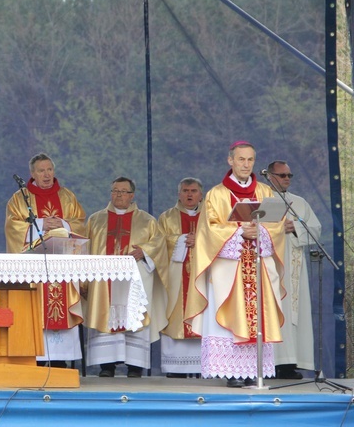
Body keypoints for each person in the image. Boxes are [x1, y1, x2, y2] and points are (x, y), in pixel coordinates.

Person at [185, 141, 285, 388]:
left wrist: (260, 233)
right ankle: (231, 372)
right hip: (228, 269)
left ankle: (252, 370)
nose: (246, 164)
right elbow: (209, 229)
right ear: (230, 161)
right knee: (231, 312)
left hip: (257, 265)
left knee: (257, 314)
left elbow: (278, 225)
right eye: (241, 159)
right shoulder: (216, 194)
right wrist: (241, 232)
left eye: (250, 160)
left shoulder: (265, 192)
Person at [5, 153, 86, 368]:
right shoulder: (20, 198)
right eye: (41, 170)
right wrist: (41, 224)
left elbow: (80, 224)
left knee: (61, 308)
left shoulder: (67, 197)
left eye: (49, 169)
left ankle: (62, 362)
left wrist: (63, 224)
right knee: (36, 310)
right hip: (35, 268)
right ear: (32, 174)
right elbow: (12, 227)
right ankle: (37, 360)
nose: (46, 174)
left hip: (62, 267)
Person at [83, 177, 169, 378]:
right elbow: (85, 248)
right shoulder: (96, 220)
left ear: (132, 195)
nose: (119, 195)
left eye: (123, 191)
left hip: (135, 280)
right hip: (104, 281)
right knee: (105, 314)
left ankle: (135, 366)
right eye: (115, 191)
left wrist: (145, 252)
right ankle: (106, 365)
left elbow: (159, 244)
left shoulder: (147, 220)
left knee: (134, 316)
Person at [266, 160, 321, 379]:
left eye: (290, 175)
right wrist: (278, 228)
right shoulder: (262, 199)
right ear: (269, 176)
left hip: (294, 269)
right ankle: (268, 363)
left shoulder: (299, 203)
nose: (287, 179)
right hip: (269, 268)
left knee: (293, 313)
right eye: (282, 175)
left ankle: (289, 364)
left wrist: (295, 227)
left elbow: (315, 229)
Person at [158, 177, 203, 378]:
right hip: (176, 280)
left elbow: (221, 239)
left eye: (193, 191)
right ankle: (175, 370)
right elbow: (158, 245)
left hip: (203, 280)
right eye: (185, 190)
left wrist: (201, 240)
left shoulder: (210, 217)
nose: (189, 194)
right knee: (175, 314)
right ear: (179, 194)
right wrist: (182, 240)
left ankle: (206, 367)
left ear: (201, 194)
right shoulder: (166, 218)